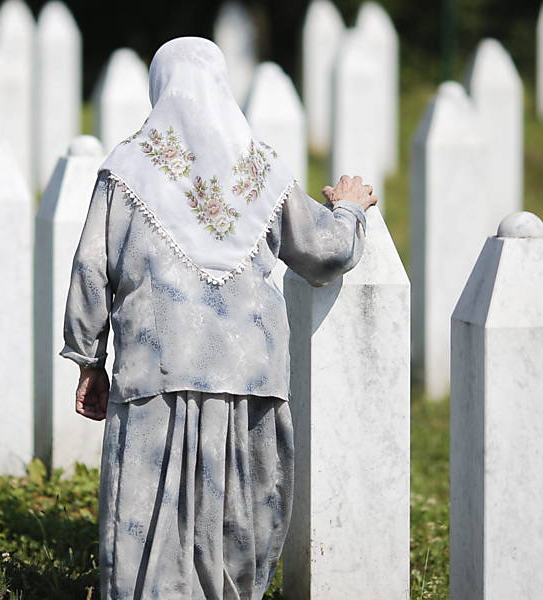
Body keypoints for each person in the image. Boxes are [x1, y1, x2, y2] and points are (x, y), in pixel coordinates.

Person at [60, 37, 377, 600]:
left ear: (159, 88)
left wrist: (89, 360)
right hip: (250, 370)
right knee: (237, 510)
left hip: (154, 369)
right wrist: (349, 206)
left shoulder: (126, 170)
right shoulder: (262, 171)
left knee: (148, 518)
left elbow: (91, 269)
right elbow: (324, 254)